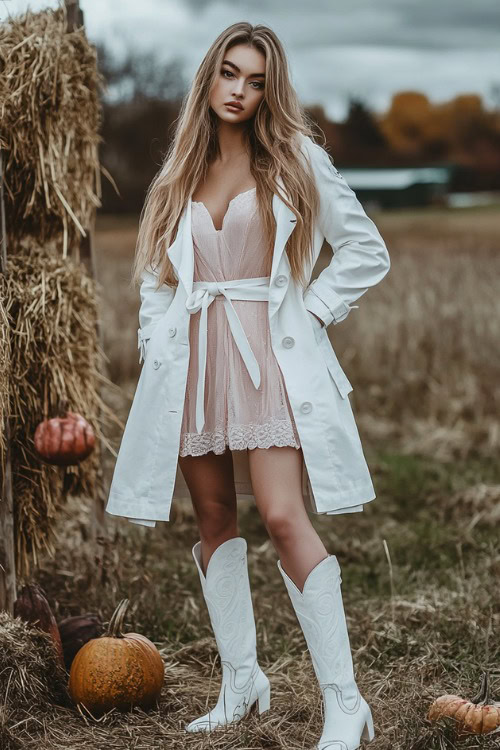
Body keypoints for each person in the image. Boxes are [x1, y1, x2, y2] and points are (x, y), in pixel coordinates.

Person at [109, 20, 390, 750]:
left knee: (283, 515)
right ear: (208, 77)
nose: (240, 90)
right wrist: (156, 349)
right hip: (195, 366)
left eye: (256, 80)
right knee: (211, 522)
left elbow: (365, 249)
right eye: (230, 73)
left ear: (271, 91)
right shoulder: (180, 171)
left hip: (269, 363)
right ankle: (244, 682)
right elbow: (159, 280)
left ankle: (344, 701)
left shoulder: (294, 160)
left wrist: (314, 313)